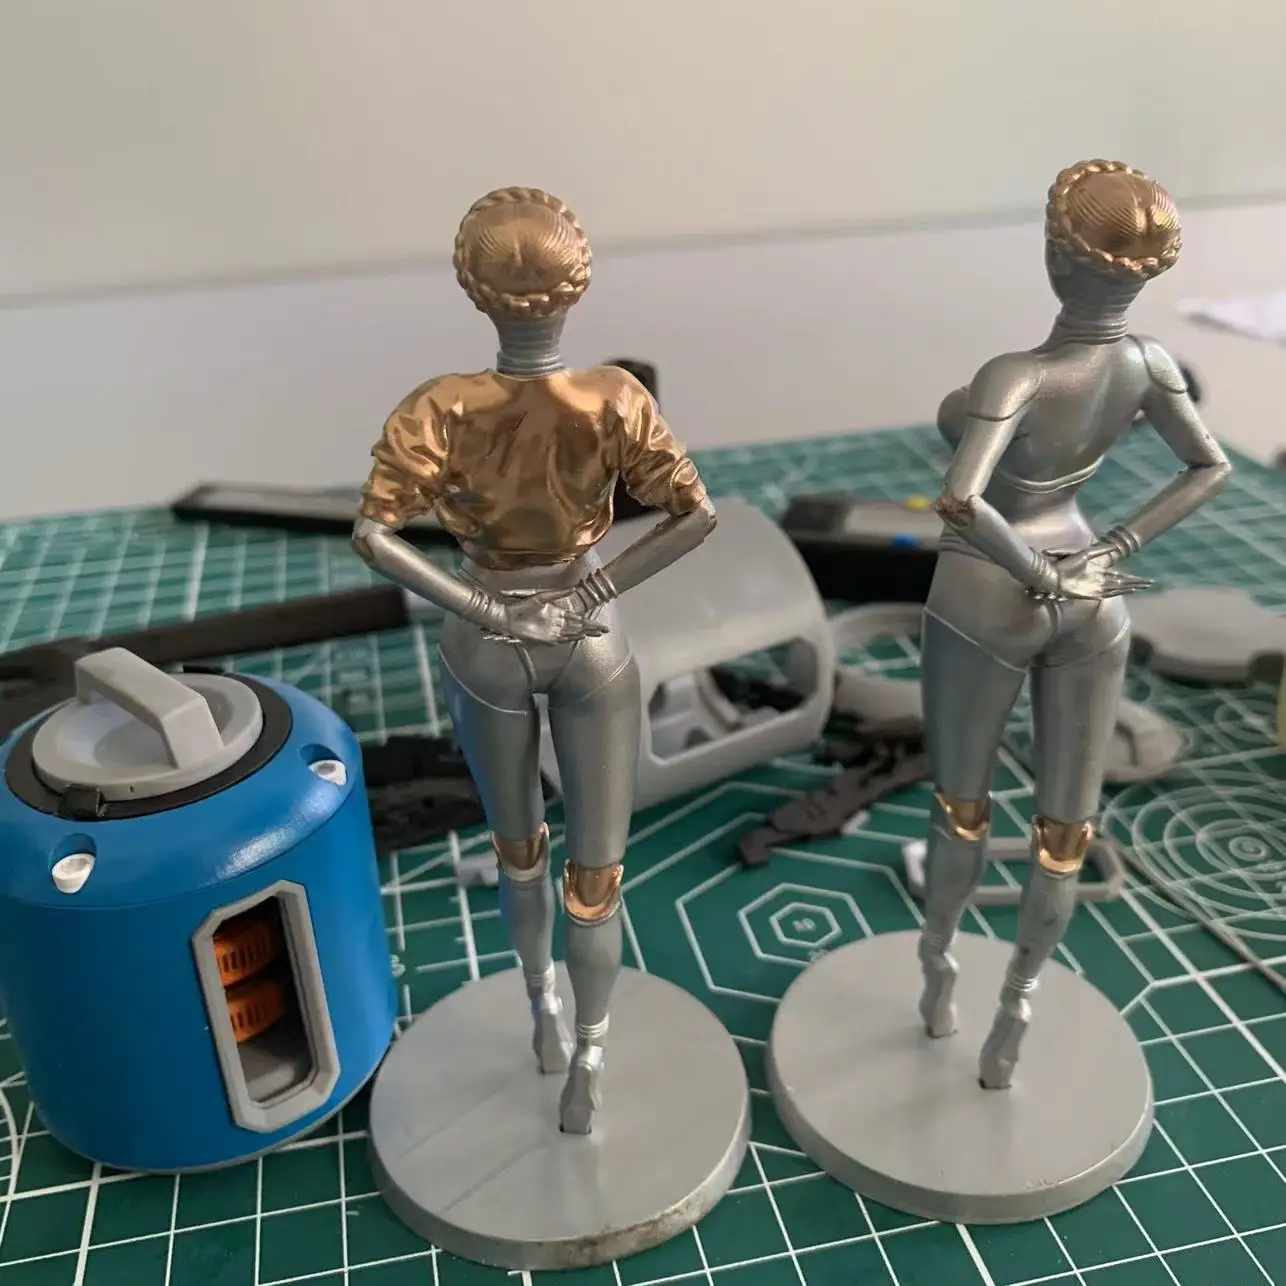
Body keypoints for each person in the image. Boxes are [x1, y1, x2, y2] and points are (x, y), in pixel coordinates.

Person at [352, 187, 717, 1134]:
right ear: (576, 287)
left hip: (487, 639)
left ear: (474, 290)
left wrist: (485, 606)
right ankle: (588, 1053)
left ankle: (544, 1015)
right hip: (591, 635)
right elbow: (696, 516)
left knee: (517, 855)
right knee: (597, 876)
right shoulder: (615, 397)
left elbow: (373, 534)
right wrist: (587, 597)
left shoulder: (440, 407)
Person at [916, 160, 1231, 1089]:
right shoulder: (1147, 365)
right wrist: (1107, 551)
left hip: (992, 587)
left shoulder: (1018, 375)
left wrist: (1038, 574)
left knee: (961, 807)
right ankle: (1015, 1012)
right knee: (1066, 828)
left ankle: (939, 979)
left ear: (1057, 259)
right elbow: (1209, 467)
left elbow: (961, 500)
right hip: (1095, 592)